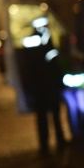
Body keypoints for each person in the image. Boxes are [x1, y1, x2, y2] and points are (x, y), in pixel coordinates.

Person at [19, 16, 66, 156]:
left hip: (44, 85)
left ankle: (55, 140)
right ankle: (48, 143)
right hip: (43, 85)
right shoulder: (37, 40)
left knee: (51, 115)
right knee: (45, 116)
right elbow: (47, 60)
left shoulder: (44, 38)